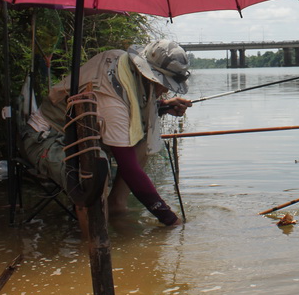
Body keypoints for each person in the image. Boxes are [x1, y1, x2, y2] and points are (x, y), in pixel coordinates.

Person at [22, 40, 192, 226]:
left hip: (80, 134)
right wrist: (169, 218)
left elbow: (129, 107)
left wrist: (163, 107)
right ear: (149, 76)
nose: (166, 89)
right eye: (164, 84)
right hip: (47, 138)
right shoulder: (111, 98)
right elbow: (129, 167)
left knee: (141, 145)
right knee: (95, 168)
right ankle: (92, 237)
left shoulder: (121, 61)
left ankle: (116, 206)